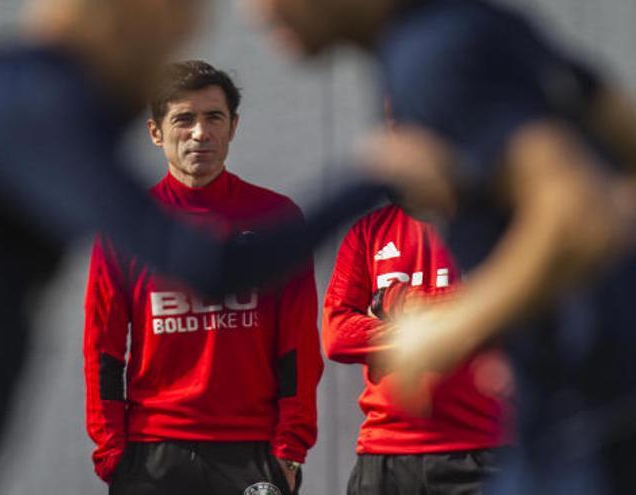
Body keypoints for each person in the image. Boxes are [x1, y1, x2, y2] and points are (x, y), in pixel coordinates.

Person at [0, 0, 389, 493]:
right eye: (175, 33)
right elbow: (207, 267)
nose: (169, 56)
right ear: (136, 18)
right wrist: (381, 173)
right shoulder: (42, 100)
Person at [250, 0, 636, 492]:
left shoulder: (428, 59)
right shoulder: (476, 23)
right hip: (587, 408)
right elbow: (618, 144)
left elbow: (580, 213)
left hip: (578, 419)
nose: (254, 12)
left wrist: (452, 328)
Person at [84, 60, 321, 495]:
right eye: (183, 119)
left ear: (233, 127)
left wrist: (291, 445)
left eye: (214, 117)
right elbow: (104, 348)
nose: (199, 133)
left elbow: (299, 344)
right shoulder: (128, 225)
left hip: (252, 449)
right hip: (151, 452)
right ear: (156, 131)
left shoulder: (276, 218)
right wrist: (112, 453)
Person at [323, 200, 511, 494]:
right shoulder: (369, 230)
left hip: (479, 453)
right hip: (385, 454)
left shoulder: (497, 229)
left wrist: (397, 301)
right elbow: (338, 335)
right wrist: (448, 326)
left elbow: (507, 314)